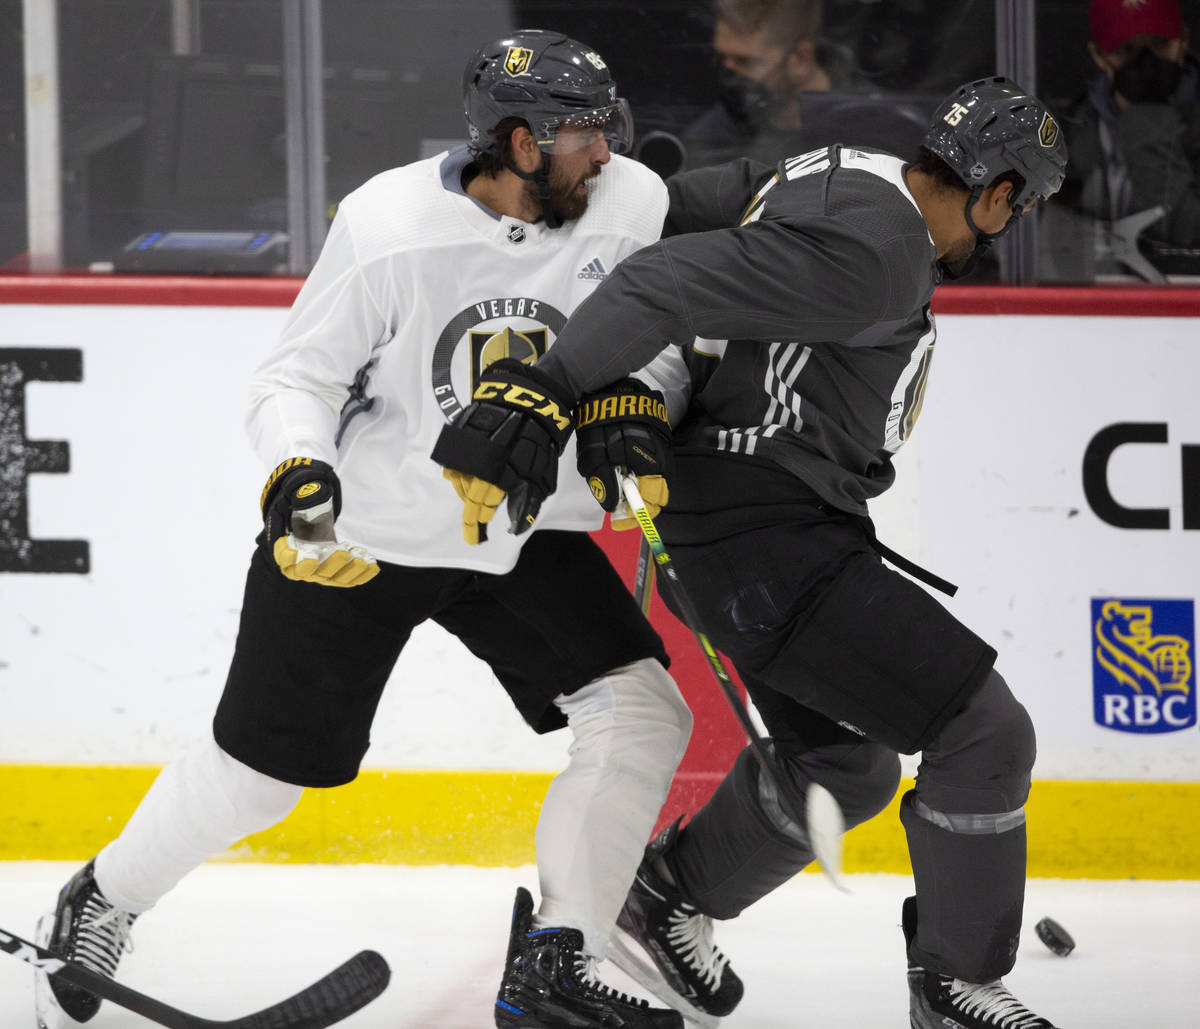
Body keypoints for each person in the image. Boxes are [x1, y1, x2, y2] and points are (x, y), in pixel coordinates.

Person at [35, 29, 695, 1029]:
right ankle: (104, 896)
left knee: (644, 713)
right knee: (260, 782)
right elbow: (294, 376)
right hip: (373, 532)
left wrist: (631, 409)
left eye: (606, 134)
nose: (605, 155)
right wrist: (302, 472)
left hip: (521, 534)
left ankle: (559, 959)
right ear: (517, 143)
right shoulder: (392, 226)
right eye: (582, 138)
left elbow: (648, 340)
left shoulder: (630, 203)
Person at [433, 75, 1070, 1029]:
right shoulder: (882, 260)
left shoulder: (849, 167)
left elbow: (668, 210)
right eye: (1018, 207)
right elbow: (659, 279)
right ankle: (957, 982)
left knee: (845, 766)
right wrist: (553, 383)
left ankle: (664, 897)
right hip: (769, 544)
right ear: (998, 193)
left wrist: (637, 385)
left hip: (749, 533)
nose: (1006, 227)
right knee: (983, 733)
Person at [680, 0, 931, 170]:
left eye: (744, 61)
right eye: (723, 57)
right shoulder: (715, 137)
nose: (728, 69)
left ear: (800, 59)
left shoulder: (876, 128)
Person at [1059, 0, 1200, 267]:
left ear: (1182, 40)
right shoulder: (1072, 130)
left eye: (1159, 44)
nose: (1146, 64)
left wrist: (1145, 122)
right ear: (1098, 55)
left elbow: (1186, 235)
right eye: (1127, 50)